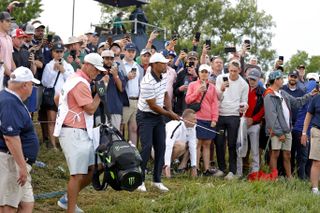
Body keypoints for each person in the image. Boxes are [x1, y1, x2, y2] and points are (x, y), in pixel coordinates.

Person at [54, 53, 107, 213]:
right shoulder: (80, 83)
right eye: (97, 70)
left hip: (77, 131)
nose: (98, 73)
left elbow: (58, 99)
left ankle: (67, 199)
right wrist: (100, 92)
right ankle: (69, 208)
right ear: (88, 65)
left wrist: (67, 112)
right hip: (74, 131)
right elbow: (90, 109)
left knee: (95, 168)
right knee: (77, 174)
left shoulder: (73, 78)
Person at [136, 53, 180, 192]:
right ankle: (140, 180)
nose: (166, 65)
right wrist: (169, 114)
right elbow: (153, 106)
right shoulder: (147, 81)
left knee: (161, 146)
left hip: (158, 116)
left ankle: (156, 180)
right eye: (163, 63)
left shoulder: (164, 75)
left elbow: (166, 94)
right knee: (146, 147)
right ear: (154, 65)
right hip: (146, 116)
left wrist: (170, 110)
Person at [0, 66, 40, 212]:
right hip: (12, 162)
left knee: (26, 204)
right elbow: (10, 137)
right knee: (8, 206)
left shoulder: (9, 98)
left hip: (19, 162)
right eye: (32, 84)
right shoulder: (10, 103)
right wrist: (22, 166)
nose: (32, 89)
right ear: (25, 85)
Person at [264, 70, 316, 178]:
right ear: (276, 80)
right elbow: (271, 117)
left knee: (287, 154)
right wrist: (279, 133)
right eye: (281, 79)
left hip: (287, 129)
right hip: (276, 130)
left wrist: (310, 95)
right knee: (275, 153)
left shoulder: (282, 93)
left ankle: (289, 178)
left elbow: (297, 102)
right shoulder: (269, 95)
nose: (283, 81)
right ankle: (274, 177)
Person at [215, 60, 249, 180]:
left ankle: (232, 171)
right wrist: (221, 89)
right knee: (219, 142)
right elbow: (217, 96)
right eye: (230, 71)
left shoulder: (244, 84)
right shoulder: (220, 78)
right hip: (220, 114)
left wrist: (244, 106)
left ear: (239, 70)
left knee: (232, 143)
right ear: (228, 69)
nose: (232, 73)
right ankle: (221, 168)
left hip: (234, 116)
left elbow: (244, 100)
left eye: (235, 71)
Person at [185, 64, 219, 176]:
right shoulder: (192, 85)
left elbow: (214, 104)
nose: (204, 74)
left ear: (209, 74)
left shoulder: (212, 87)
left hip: (208, 118)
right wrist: (197, 91)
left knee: (207, 144)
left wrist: (214, 118)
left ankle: (207, 168)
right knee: (197, 144)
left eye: (206, 72)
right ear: (198, 73)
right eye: (202, 71)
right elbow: (188, 100)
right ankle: (196, 168)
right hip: (196, 118)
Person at [41, 43, 74, 150]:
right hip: (52, 96)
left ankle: (63, 143)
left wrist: (63, 71)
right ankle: (53, 144)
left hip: (65, 97)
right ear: (52, 53)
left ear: (63, 53)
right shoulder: (48, 66)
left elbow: (72, 80)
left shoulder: (68, 66)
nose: (59, 54)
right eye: (57, 51)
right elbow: (45, 82)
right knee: (52, 120)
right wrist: (54, 71)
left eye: (61, 51)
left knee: (64, 121)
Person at [237, 68, 265, 176]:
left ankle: (255, 172)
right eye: (250, 79)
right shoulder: (243, 88)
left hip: (254, 124)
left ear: (258, 79)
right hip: (242, 122)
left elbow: (263, 109)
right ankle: (238, 172)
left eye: (254, 79)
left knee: (254, 149)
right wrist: (242, 117)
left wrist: (254, 119)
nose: (251, 81)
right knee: (240, 147)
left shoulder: (262, 91)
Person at [163, 109, 198, 178]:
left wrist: (194, 166)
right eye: (194, 119)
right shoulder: (176, 126)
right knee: (181, 145)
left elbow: (193, 146)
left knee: (195, 142)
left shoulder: (192, 127)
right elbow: (168, 146)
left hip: (173, 149)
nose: (196, 121)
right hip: (158, 151)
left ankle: (181, 167)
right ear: (185, 120)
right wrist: (167, 166)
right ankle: (163, 167)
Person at [122, 43, 143, 146]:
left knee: (134, 128)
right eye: (129, 51)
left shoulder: (138, 66)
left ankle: (132, 151)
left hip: (136, 100)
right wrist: (127, 77)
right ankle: (120, 150)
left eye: (133, 51)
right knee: (121, 127)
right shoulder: (120, 65)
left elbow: (141, 84)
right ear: (124, 51)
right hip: (124, 100)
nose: (131, 54)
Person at [301, 90, 320, 195]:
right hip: (317, 131)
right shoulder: (316, 99)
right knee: (317, 161)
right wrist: (304, 132)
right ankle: (315, 189)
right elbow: (308, 116)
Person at [0, 11, 16, 88]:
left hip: (8, 77)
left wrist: (16, 73)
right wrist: (11, 75)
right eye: (7, 21)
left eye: (10, 21)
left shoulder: (9, 38)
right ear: (0, 22)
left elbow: (11, 59)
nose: (10, 23)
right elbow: (0, 61)